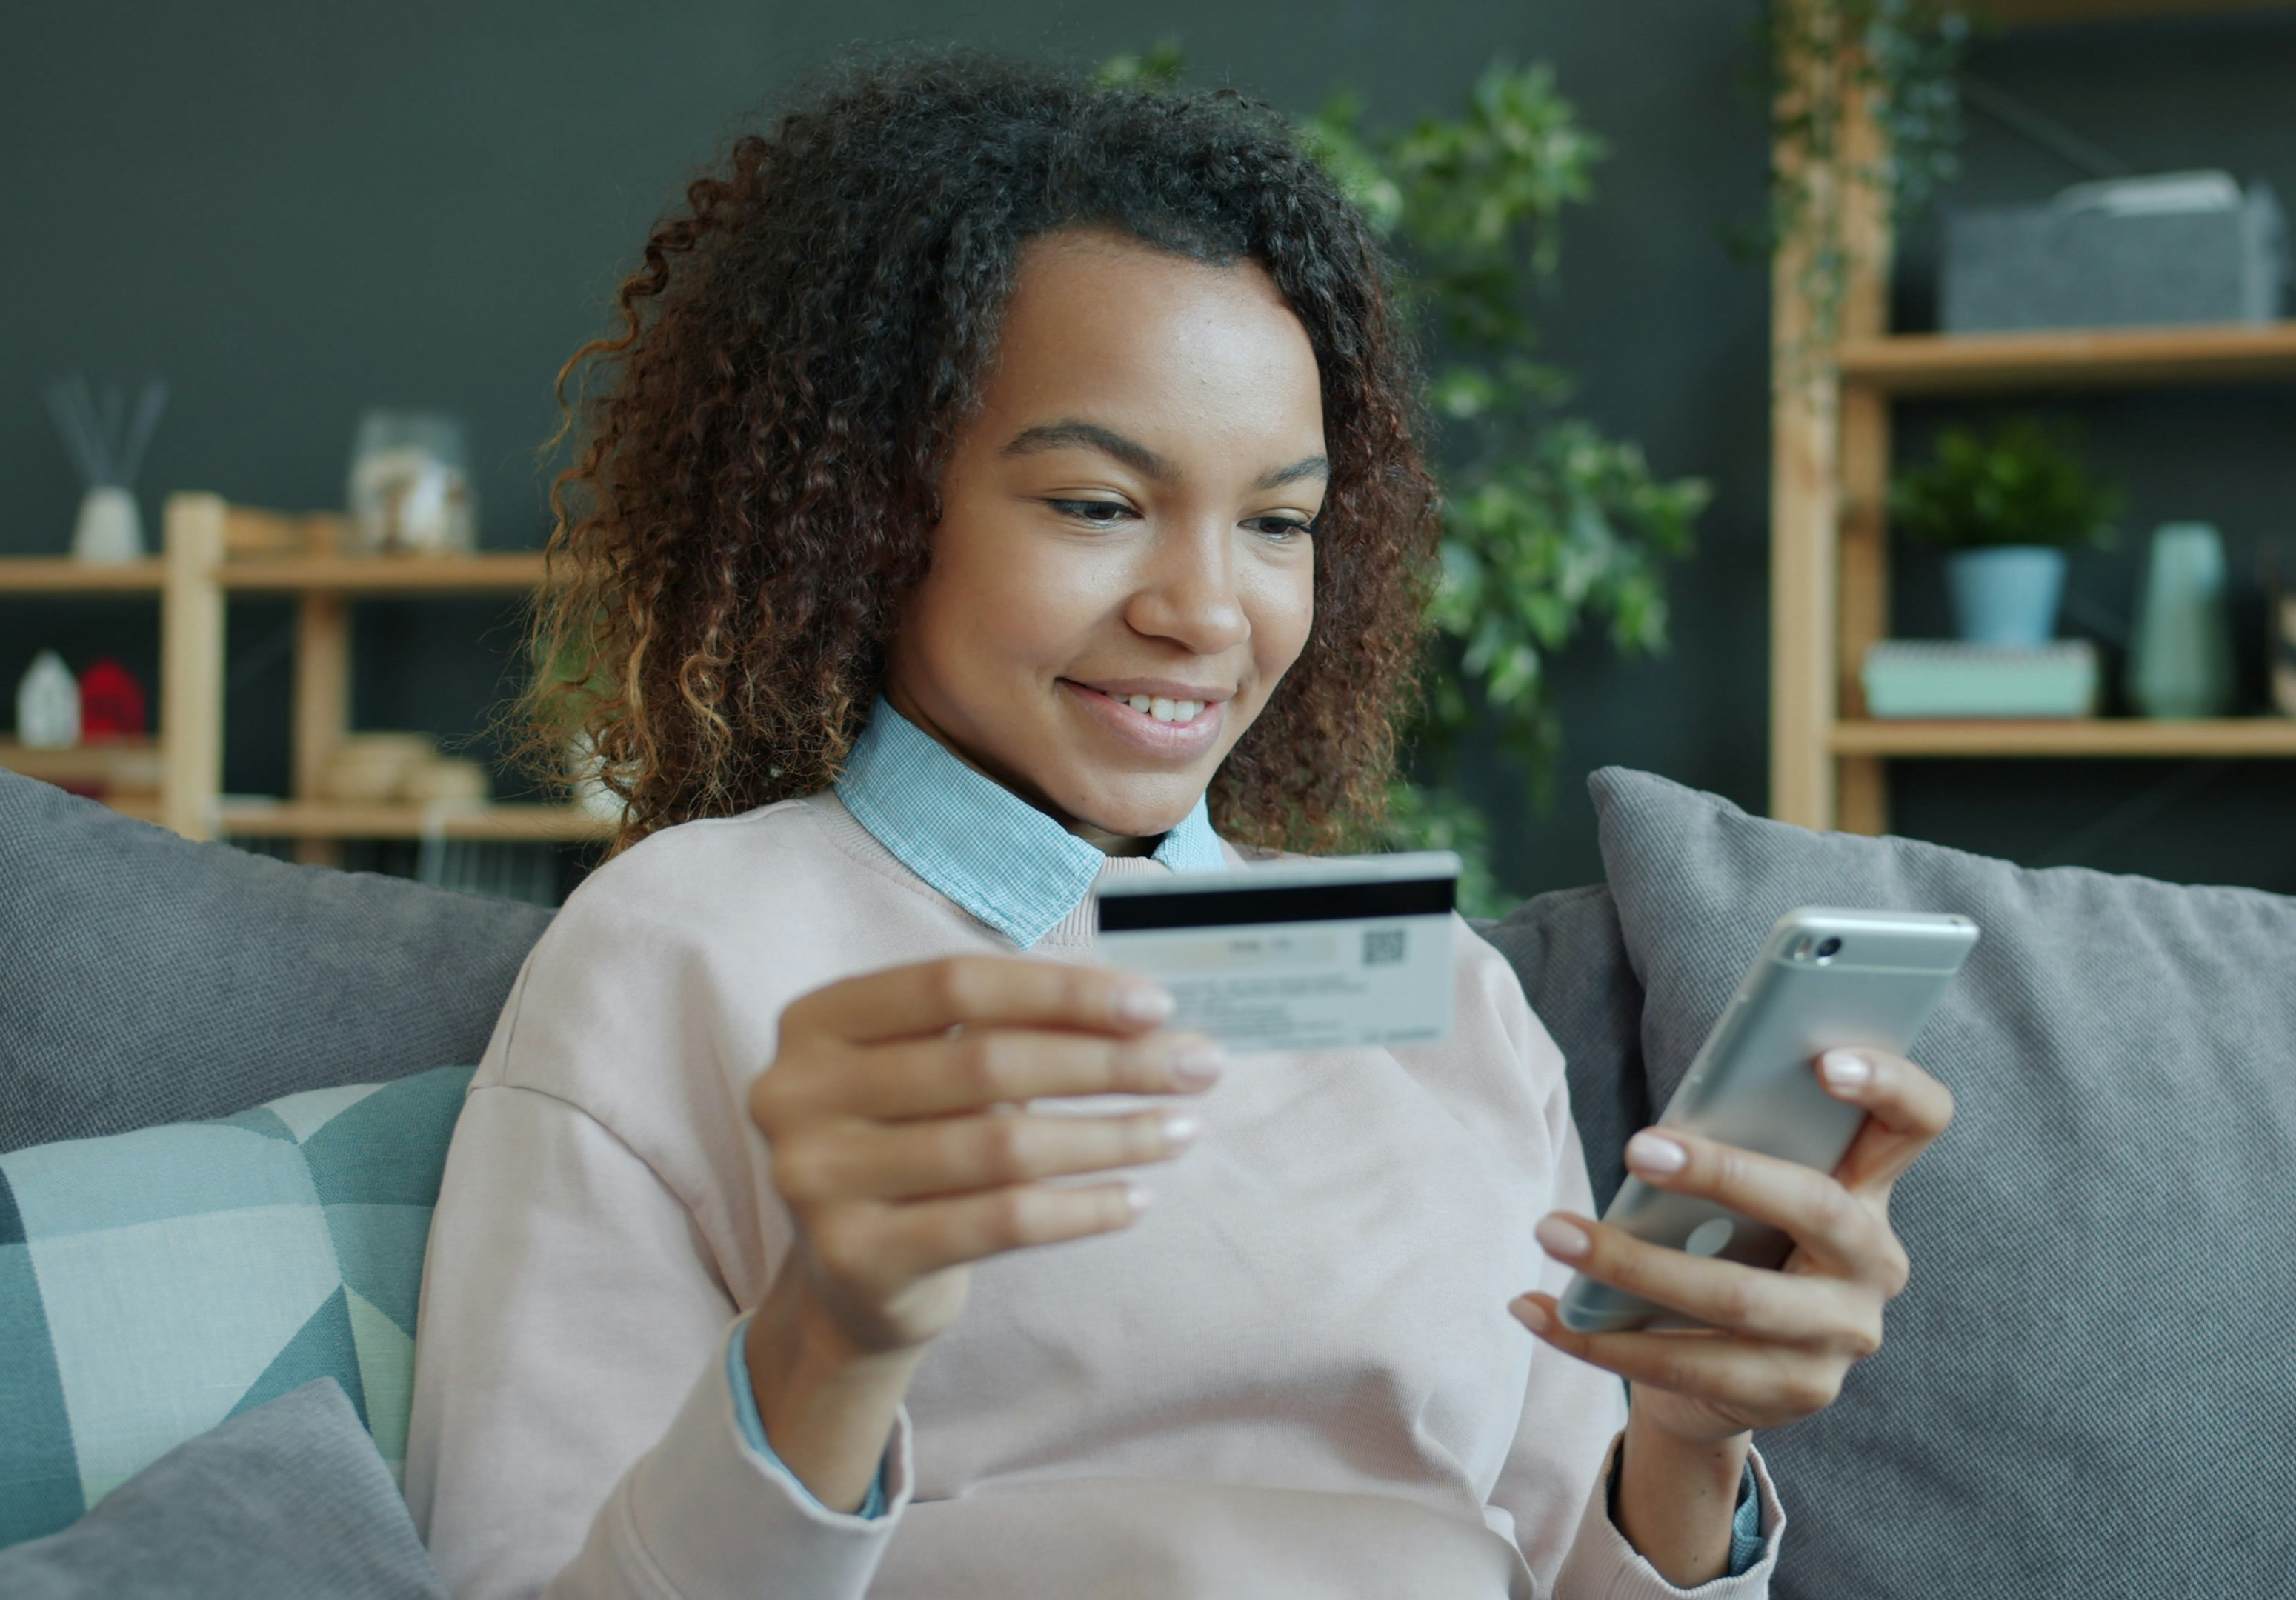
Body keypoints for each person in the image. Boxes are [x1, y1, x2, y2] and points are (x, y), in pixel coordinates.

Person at [405, 54, 1952, 1600]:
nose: (1207, 611)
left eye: (1279, 523)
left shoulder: (1437, 984)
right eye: (1097, 504)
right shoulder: (685, 944)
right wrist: (829, 1340)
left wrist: (1685, 1446)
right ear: (875, 508)